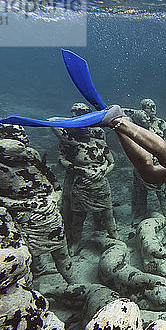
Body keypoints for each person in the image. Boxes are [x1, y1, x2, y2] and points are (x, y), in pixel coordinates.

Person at [0, 123, 78, 284]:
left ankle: (72, 282)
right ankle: (37, 275)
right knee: (31, 254)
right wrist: (27, 205)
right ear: (3, 139)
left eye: (24, 134)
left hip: (50, 212)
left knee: (61, 249)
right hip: (26, 217)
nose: (25, 138)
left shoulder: (31, 155)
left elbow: (50, 177)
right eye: (19, 135)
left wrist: (55, 195)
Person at [51, 103, 118, 254]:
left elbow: (110, 161)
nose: (83, 125)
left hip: (100, 183)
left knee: (107, 213)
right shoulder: (69, 139)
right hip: (79, 182)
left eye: (84, 117)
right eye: (76, 116)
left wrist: (102, 170)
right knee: (77, 216)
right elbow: (61, 158)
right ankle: (75, 242)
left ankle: (112, 235)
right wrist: (79, 170)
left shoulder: (99, 136)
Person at [125, 99, 166, 221]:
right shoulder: (136, 124)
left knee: (164, 190)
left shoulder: (161, 123)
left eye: (154, 107)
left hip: (159, 161)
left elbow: (165, 142)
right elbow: (122, 112)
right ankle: (139, 215)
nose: (153, 109)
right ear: (142, 109)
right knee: (140, 191)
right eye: (149, 107)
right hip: (142, 162)